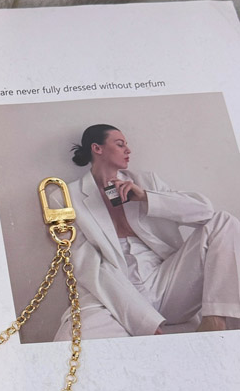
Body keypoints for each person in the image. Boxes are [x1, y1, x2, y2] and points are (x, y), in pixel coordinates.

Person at [53, 124, 240, 340]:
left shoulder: (146, 181)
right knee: (71, 339)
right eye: (120, 144)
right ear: (97, 148)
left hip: (166, 282)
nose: (128, 150)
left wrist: (146, 197)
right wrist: (142, 320)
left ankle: (215, 320)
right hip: (116, 292)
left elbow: (205, 212)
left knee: (224, 221)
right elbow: (88, 265)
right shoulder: (66, 196)